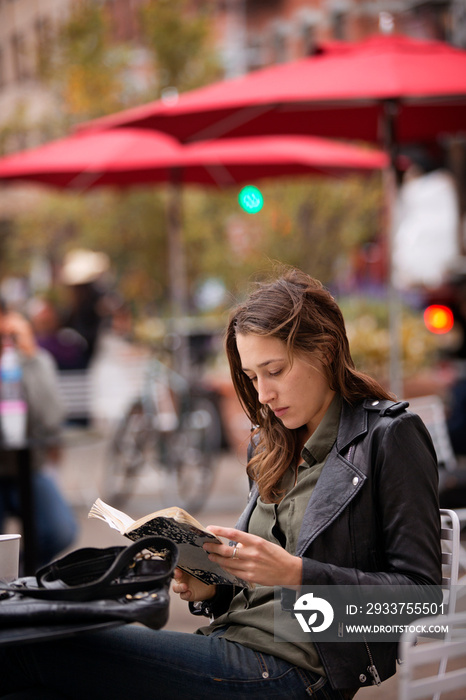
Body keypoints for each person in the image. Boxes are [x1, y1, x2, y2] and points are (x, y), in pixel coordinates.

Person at [0, 268, 441, 699]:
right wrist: (212, 586)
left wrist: (298, 575)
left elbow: (421, 606)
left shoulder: (388, 437)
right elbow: (255, 591)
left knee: (34, 645)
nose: (263, 394)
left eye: (275, 370)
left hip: (296, 673)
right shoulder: (270, 446)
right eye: (252, 377)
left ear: (324, 351)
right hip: (232, 647)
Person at [0, 305, 78, 567]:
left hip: (27, 468)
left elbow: (52, 419)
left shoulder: (30, 361)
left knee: (60, 531)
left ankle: (18, 575)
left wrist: (30, 356)